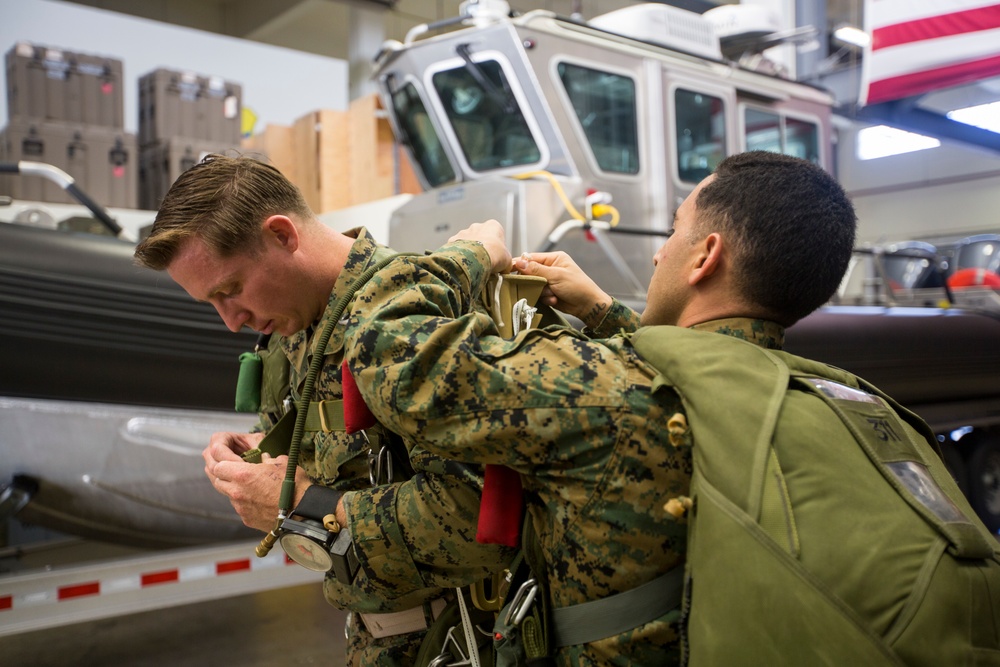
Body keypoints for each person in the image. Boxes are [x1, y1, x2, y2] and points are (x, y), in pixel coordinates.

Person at [343, 151, 1000, 665]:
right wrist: (603, 310)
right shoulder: (818, 389)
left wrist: (468, 254)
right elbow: (680, 367)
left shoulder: (602, 390)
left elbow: (390, 349)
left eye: (677, 231)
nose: (659, 250)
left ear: (706, 256)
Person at [132, 154, 511, 666]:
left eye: (230, 290)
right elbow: (317, 447)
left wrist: (305, 504)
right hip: (373, 635)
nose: (231, 321)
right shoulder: (294, 330)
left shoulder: (399, 320)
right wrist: (257, 460)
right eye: (212, 303)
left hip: (456, 641)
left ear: (283, 236)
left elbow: (480, 518)